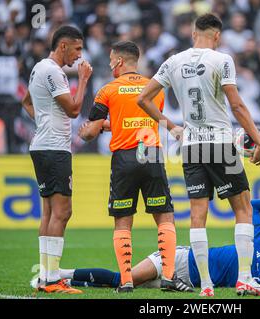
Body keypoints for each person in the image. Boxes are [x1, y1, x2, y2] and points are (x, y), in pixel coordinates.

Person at [138, 13, 260, 297]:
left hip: (192, 146)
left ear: (194, 33)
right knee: (243, 208)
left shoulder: (173, 61)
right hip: (221, 144)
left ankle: (206, 285)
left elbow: (143, 99)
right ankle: (244, 279)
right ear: (217, 36)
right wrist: (258, 139)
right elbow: (237, 106)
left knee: (198, 215)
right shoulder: (222, 60)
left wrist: (171, 127)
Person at [43, 197, 260, 290]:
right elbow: (252, 207)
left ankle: (67, 278)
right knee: (122, 279)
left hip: (183, 284)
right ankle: (59, 272)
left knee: (120, 285)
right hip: (180, 262)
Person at [78, 41, 193, 294]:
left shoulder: (107, 90)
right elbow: (145, 118)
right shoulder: (155, 88)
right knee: (164, 217)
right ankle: (169, 277)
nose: (110, 65)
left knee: (123, 222)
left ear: (119, 61)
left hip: (124, 158)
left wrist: (88, 130)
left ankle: (127, 281)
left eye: (111, 60)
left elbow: (91, 132)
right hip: (150, 154)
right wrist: (115, 124)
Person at [21, 25, 93, 294]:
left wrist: (43, 123)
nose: (79, 56)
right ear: (63, 46)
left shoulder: (39, 68)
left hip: (42, 146)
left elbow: (27, 102)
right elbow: (74, 110)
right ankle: (52, 279)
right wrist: (83, 79)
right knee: (63, 212)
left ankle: (45, 276)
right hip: (54, 149)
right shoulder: (54, 71)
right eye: (77, 48)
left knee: (49, 212)